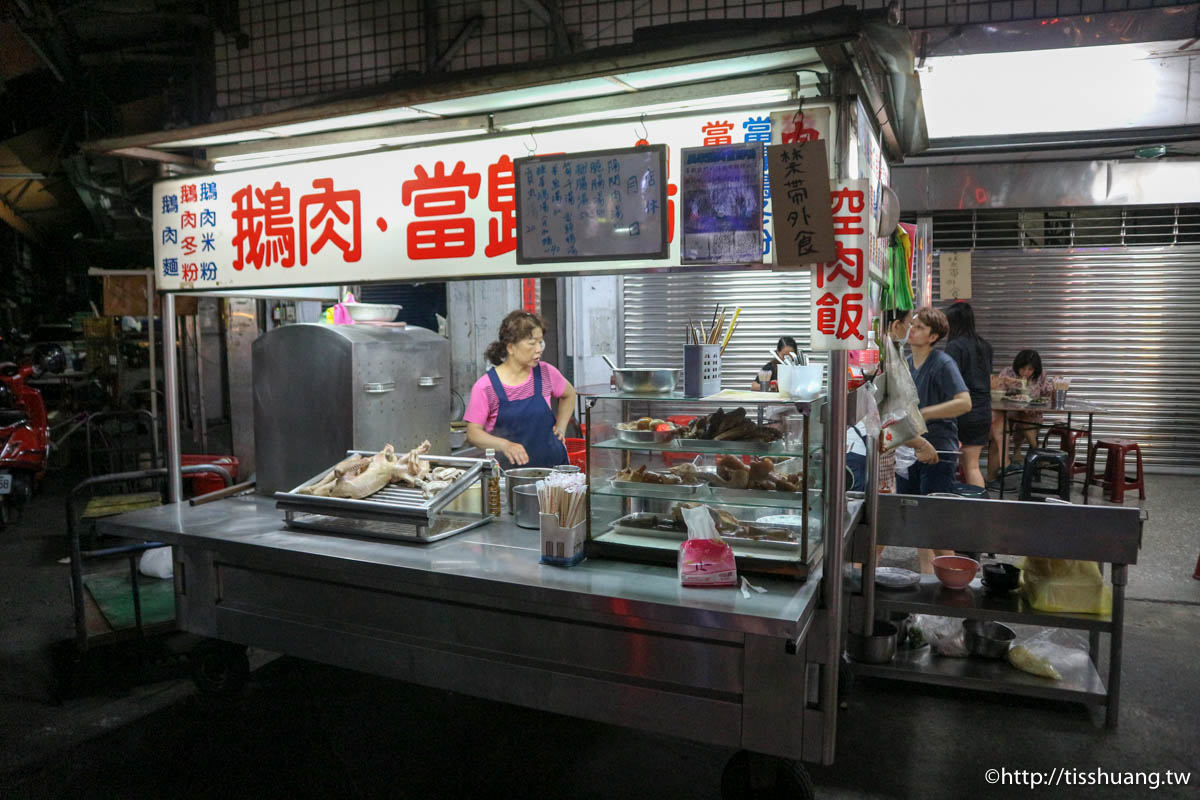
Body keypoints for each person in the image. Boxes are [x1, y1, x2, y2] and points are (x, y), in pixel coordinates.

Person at [464, 310, 577, 469]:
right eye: (532, 343)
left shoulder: (546, 373)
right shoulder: (486, 387)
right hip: (511, 476)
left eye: (540, 342)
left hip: (554, 472)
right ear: (510, 347)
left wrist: (561, 427)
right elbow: (473, 433)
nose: (539, 349)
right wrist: (505, 445)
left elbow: (569, 394)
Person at [942, 302, 993, 488]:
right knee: (972, 465)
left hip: (964, 411)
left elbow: (949, 382)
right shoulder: (985, 346)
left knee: (969, 467)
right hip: (984, 410)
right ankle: (973, 506)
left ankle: (979, 509)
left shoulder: (954, 347)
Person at [990, 349, 1054, 471]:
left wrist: (1053, 391)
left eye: (1030, 369)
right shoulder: (1008, 372)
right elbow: (996, 394)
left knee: (1025, 418)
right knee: (1017, 419)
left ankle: (1024, 450)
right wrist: (1003, 382)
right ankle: (1035, 451)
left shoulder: (1040, 376)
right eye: (1023, 369)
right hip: (1007, 414)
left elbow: (1047, 395)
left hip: (1031, 413)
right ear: (1017, 366)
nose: (1026, 372)